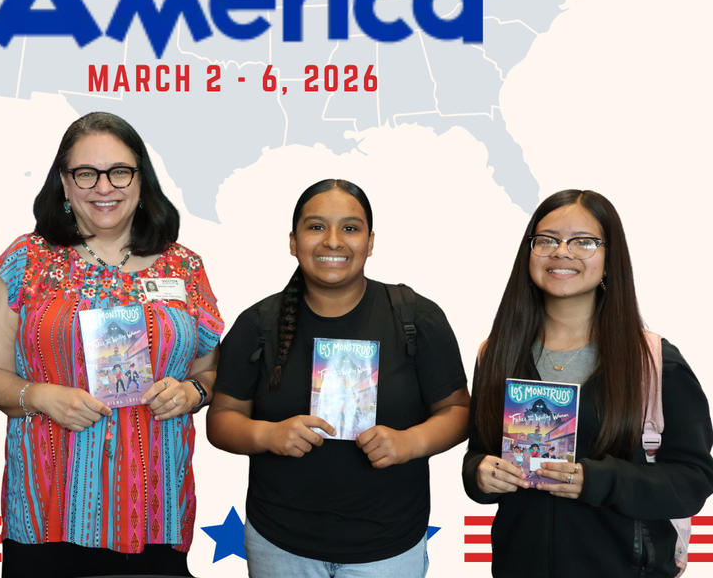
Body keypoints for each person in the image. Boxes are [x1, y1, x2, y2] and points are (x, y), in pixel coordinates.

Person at [0, 111, 223, 577]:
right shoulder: (25, 261)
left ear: (141, 179)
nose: (103, 187)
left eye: (119, 171)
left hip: (157, 506)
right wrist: (42, 396)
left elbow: (210, 372)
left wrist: (193, 394)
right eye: (86, 174)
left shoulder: (184, 267)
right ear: (65, 185)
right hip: (47, 505)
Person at [208, 179, 470, 577]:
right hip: (280, 543)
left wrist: (409, 442)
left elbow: (457, 410)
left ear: (370, 240)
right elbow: (221, 419)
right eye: (316, 227)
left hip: (388, 545)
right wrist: (268, 436)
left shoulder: (416, 317)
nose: (333, 241)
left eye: (350, 228)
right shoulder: (259, 323)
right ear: (293, 242)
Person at [463, 188, 713, 577]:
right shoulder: (495, 353)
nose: (562, 252)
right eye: (546, 240)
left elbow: (693, 480)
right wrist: (479, 474)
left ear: (610, 259)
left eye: (584, 242)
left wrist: (598, 480)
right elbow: (478, 453)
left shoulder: (654, 361)